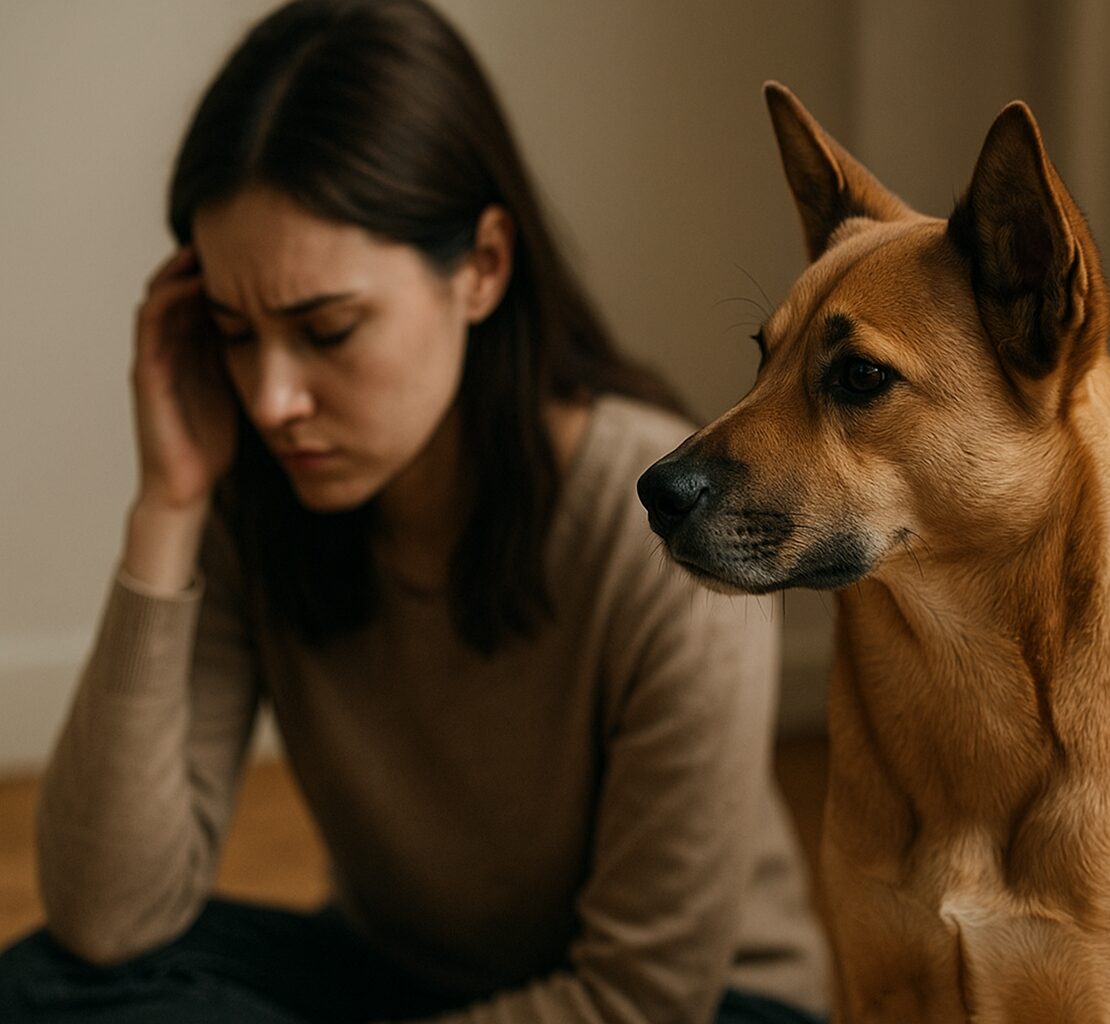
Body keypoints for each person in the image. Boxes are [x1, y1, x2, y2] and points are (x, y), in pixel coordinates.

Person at [0, 1, 829, 1021]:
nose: (270, 400)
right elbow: (104, 917)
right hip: (416, 983)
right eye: (231, 330)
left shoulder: (656, 529)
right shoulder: (255, 491)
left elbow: (639, 995)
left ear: (481, 267)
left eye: (328, 329)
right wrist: (165, 507)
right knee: (44, 983)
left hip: (696, 1006)